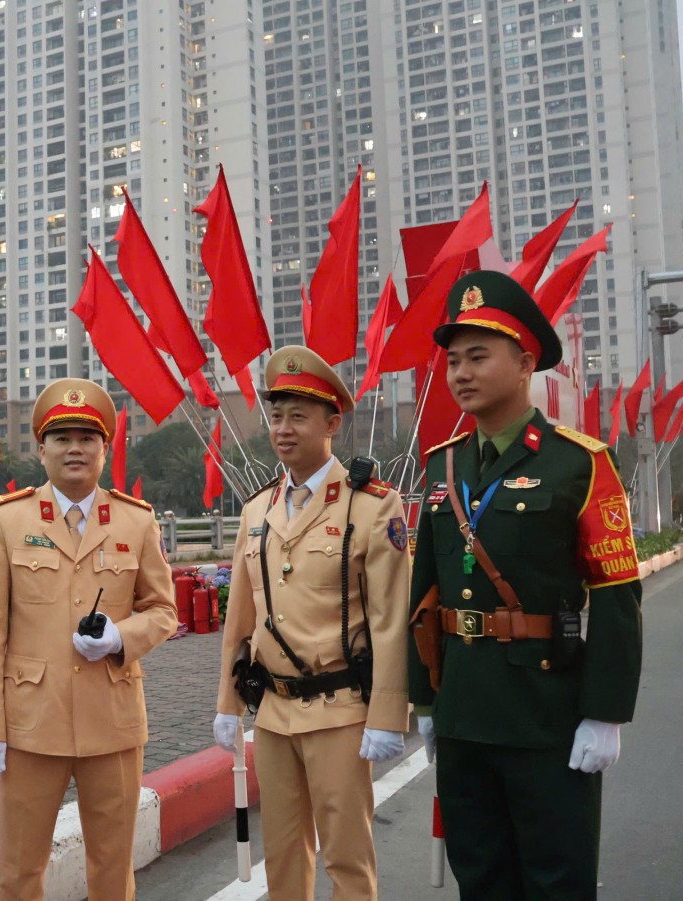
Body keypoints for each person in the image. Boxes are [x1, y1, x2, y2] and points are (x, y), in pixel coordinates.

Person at [408, 270, 642, 899]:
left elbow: (617, 596)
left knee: (557, 881)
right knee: (481, 880)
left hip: (547, 715)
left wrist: (605, 713)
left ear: (525, 363)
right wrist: (425, 702)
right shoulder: (441, 466)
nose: (461, 373)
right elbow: (423, 594)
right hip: (463, 713)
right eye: (453, 361)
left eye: (478, 357)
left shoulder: (578, 462)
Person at [0, 378, 177, 900]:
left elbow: (163, 611)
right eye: (62, 438)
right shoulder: (7, 519)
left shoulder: (136, 520)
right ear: (42, 450)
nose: (75, 449)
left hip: (112, 722)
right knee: (19, 871)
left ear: (105, 449)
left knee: (113, 869)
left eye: (88, 438)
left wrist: (120, 637)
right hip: (31, 726)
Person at [213, 346, 411, 900]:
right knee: (282, 856)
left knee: (346, 857)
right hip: (273, 713)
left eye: (298, 416)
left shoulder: (372, 505)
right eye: (276, 416)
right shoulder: (257, 510)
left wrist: (388, 716)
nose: (283, 429)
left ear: (332, 424)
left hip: (340, 710)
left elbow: (390, 620)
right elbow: (240, 619)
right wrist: (227, 703)